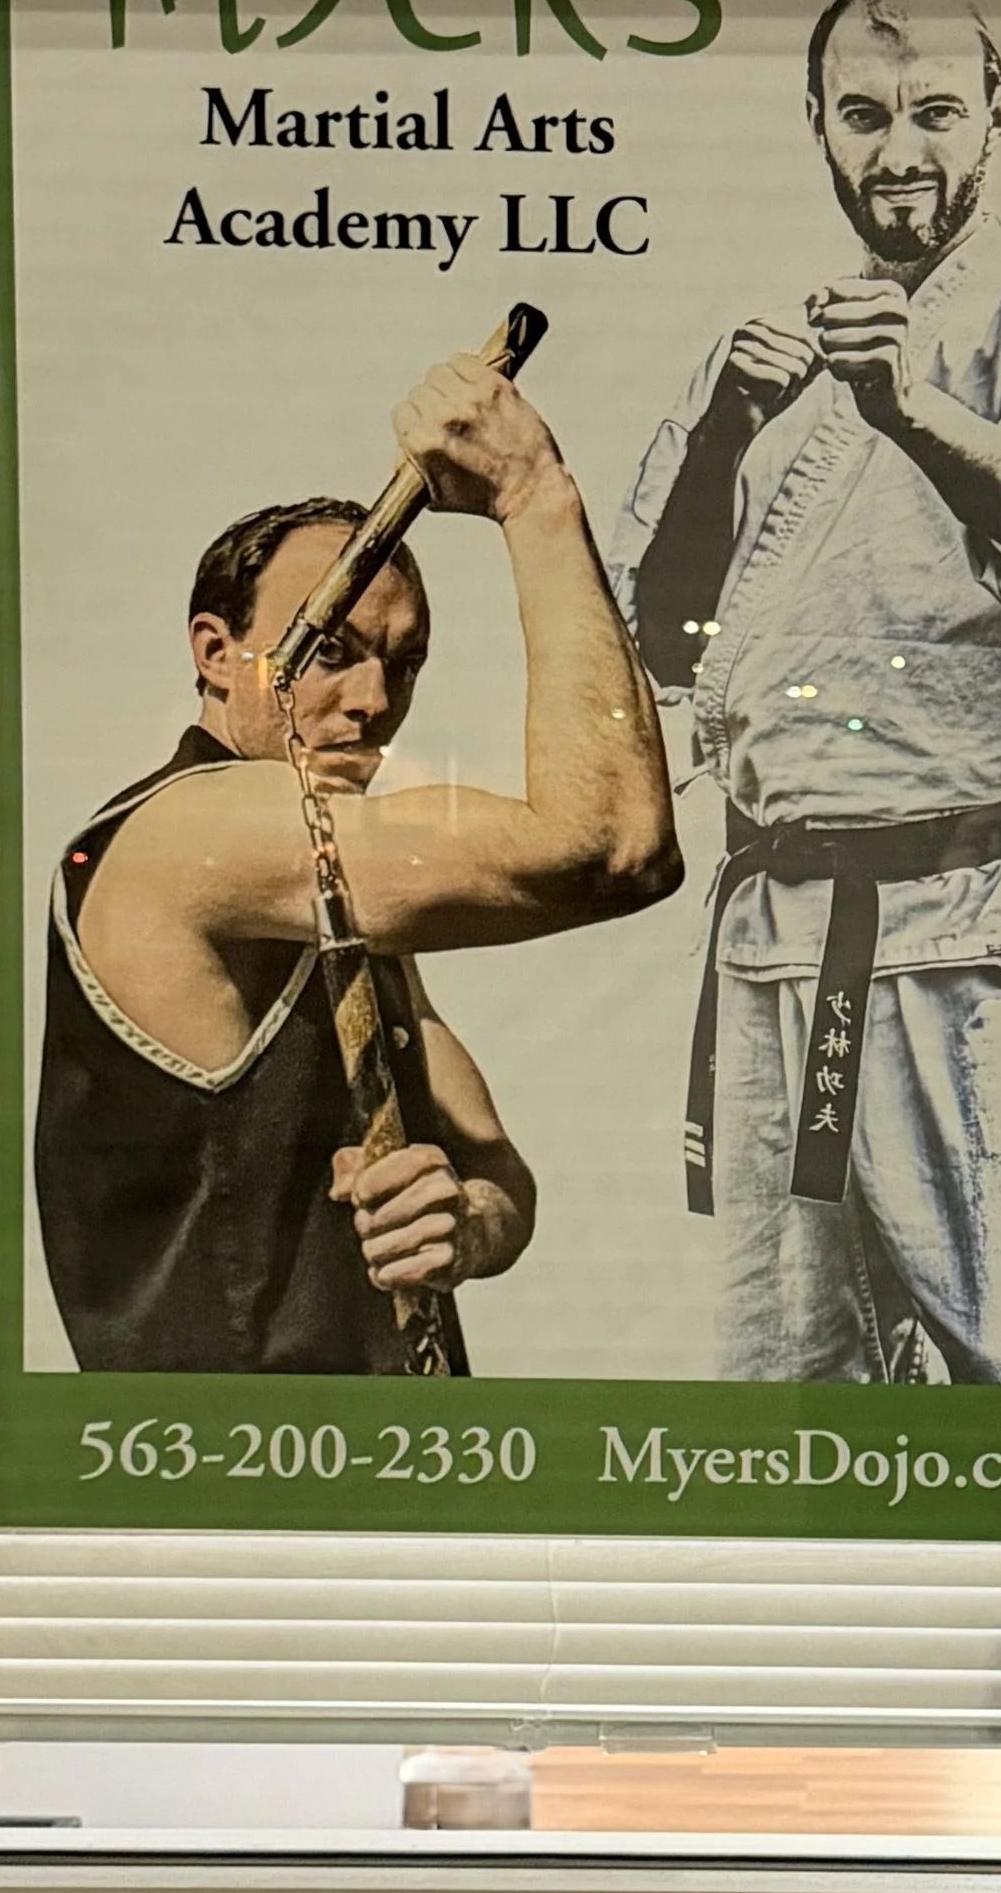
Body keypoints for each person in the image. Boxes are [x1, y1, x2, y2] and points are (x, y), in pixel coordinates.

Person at [610, 0, 1001, 1385]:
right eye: (861, 117)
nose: (897, 152)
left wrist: (906, 406)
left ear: (994, 110)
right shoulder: (776, 350)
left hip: (962, 933)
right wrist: (729, 424)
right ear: (817, 125)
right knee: (777, 1389)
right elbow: (661, 638)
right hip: (773, 934)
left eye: (932, 113)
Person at [37, 349, 680, 1377]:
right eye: (332, 649)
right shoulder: (193, 833)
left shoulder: (318, 889)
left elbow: (492, 1164)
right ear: (215, 651)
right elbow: (613, 845)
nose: (377, 699)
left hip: (358, 1480)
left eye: (406, 659)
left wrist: (462, 1220)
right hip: (229, 1493)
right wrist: (533, 494)